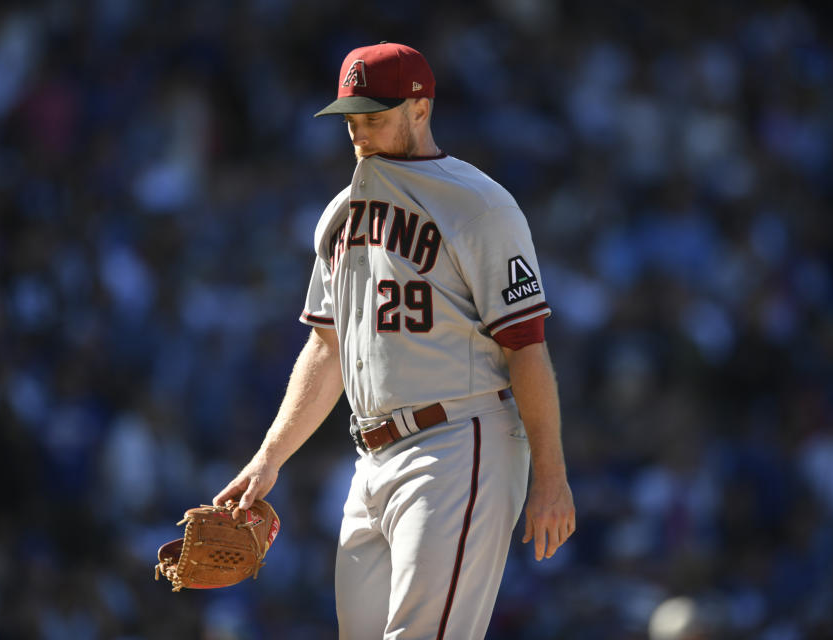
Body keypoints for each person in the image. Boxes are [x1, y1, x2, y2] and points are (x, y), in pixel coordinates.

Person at [214, 42, 576, 639]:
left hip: (459, 440)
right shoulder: (340, 214)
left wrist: (552, 477)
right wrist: (269, 457)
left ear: (420, 109)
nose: (359, 134)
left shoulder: (481, 206)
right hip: (372, 457)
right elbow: (326, 349)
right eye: (352, 120)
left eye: (375, 118)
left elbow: (527, 348)